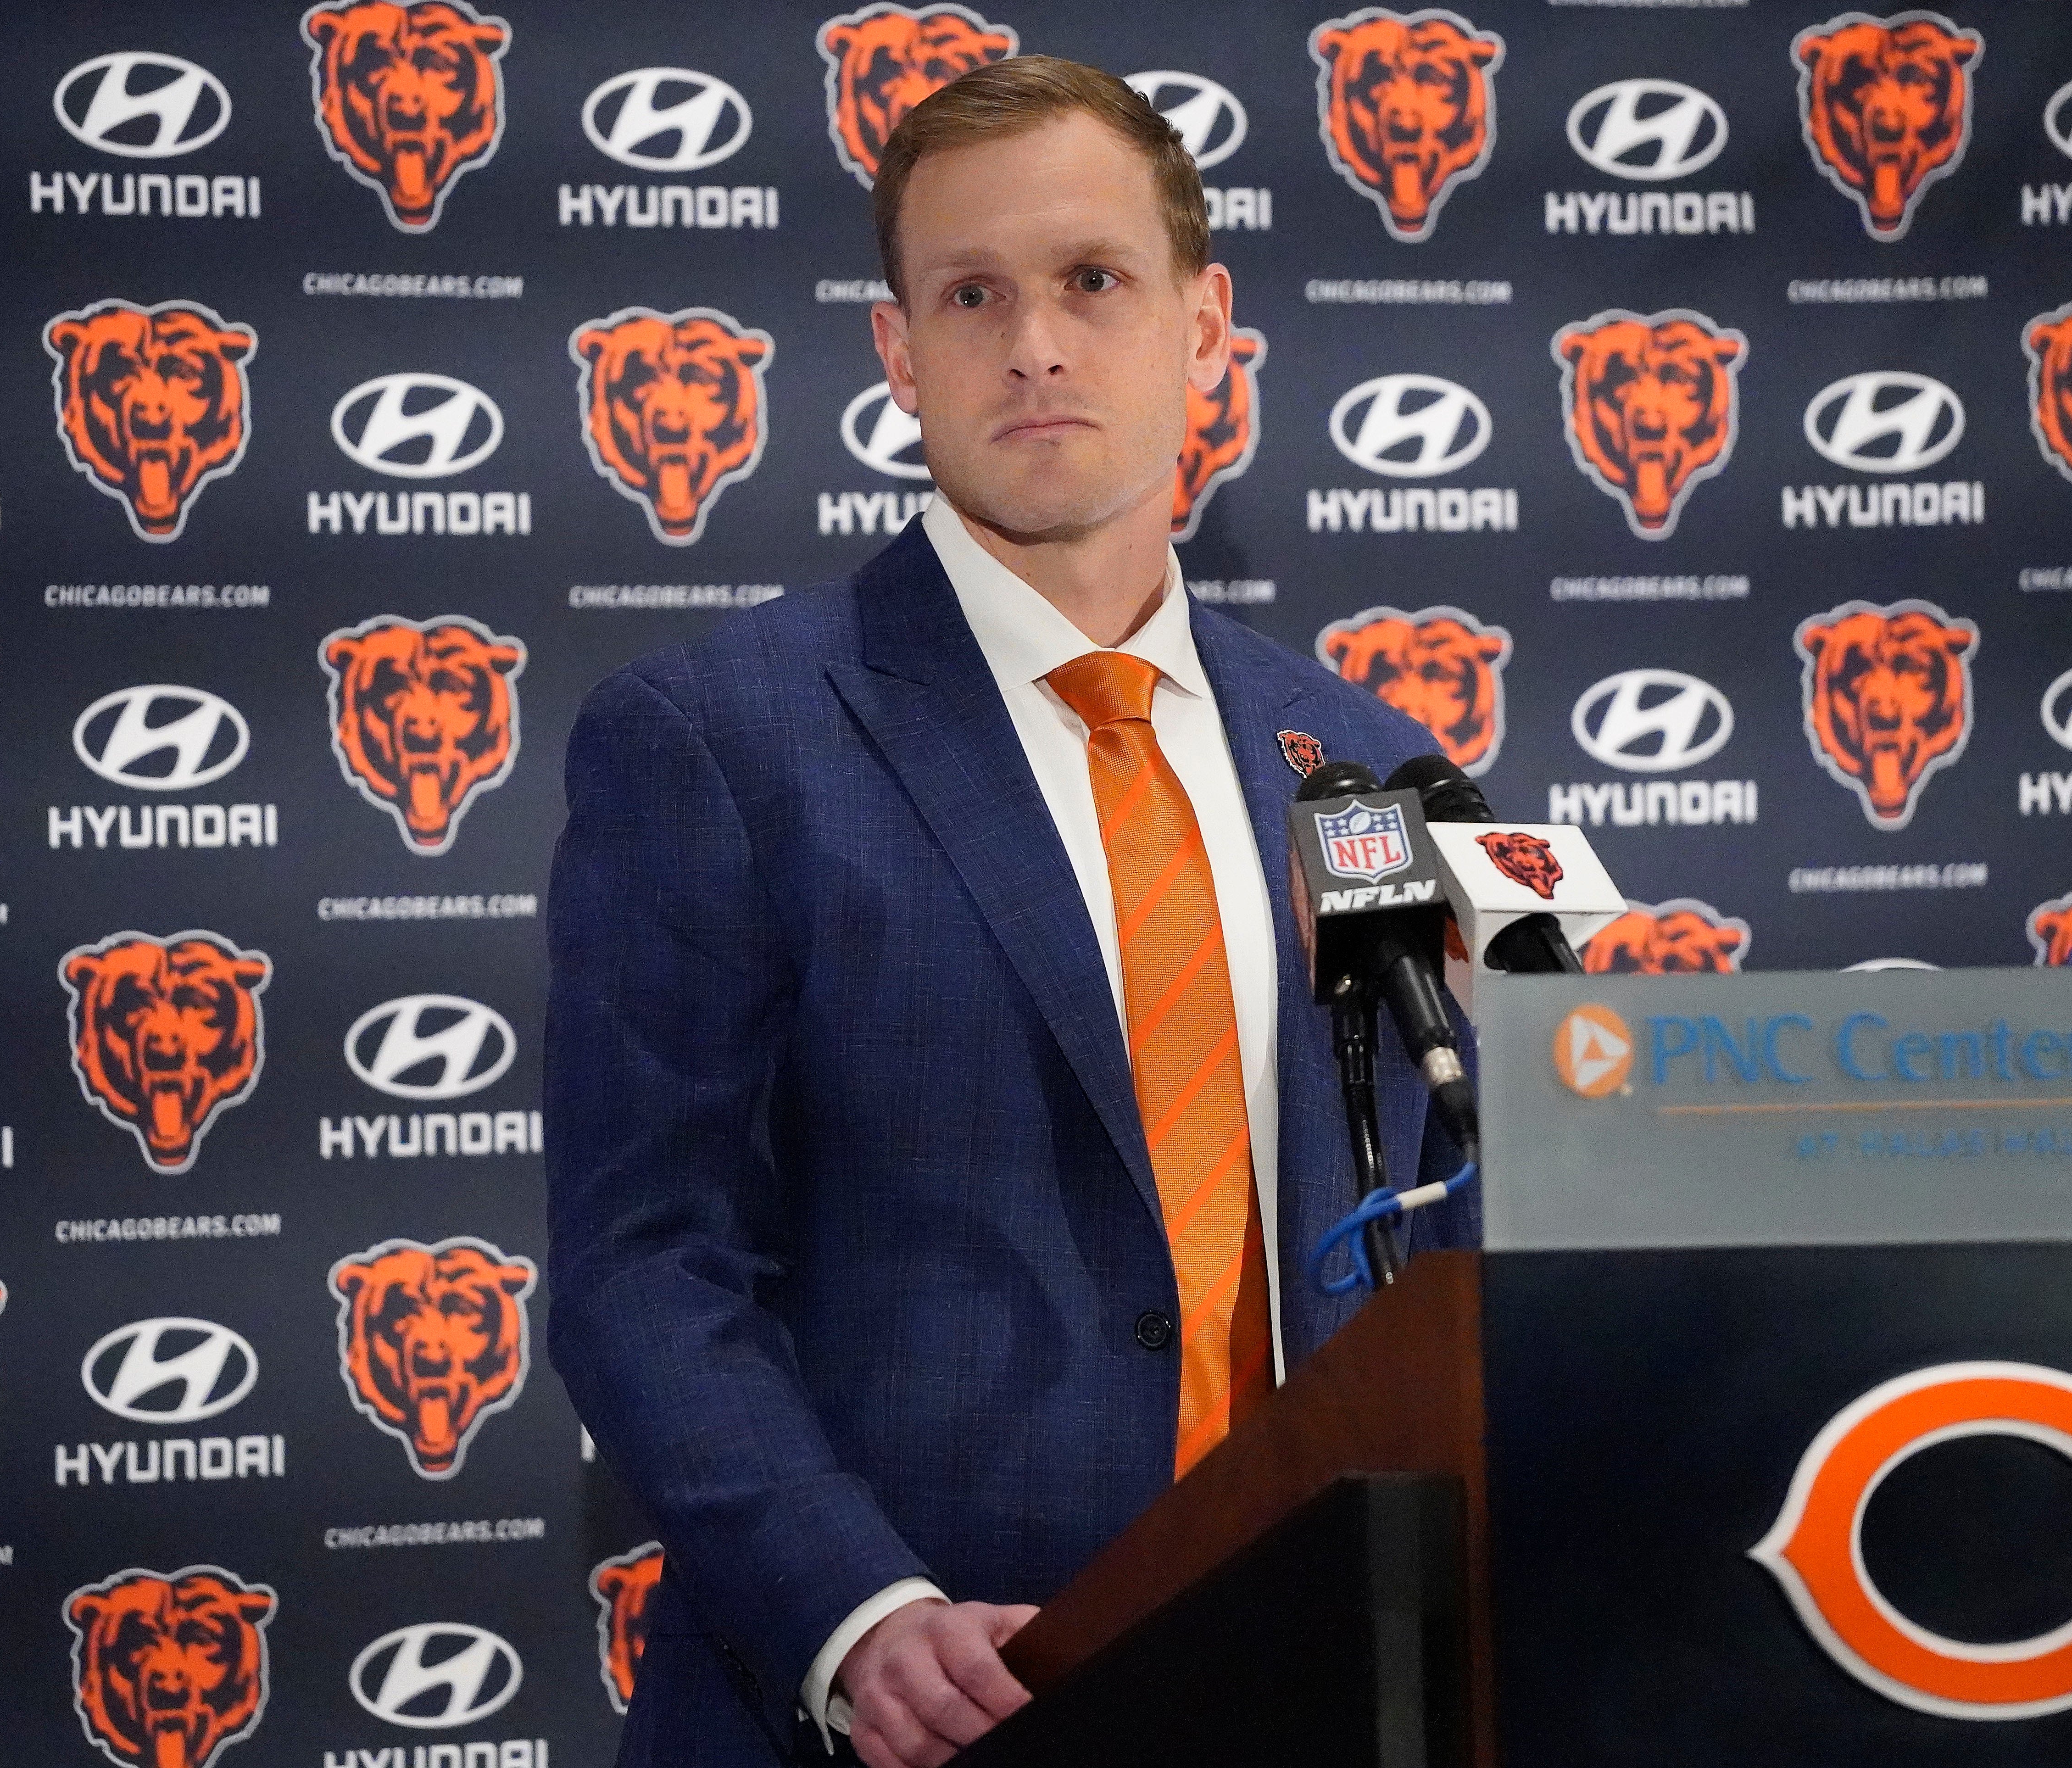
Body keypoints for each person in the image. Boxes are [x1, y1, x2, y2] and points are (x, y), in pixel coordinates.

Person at [546, 56, 1470, 1768]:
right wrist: (859, 1612)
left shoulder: (1364, 762)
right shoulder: (717, 738)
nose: (1034, 343)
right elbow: (641, 1261)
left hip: (1320, 1681)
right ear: (899, 353)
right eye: (972, 294)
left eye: (1091, 283)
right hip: (912, 1708)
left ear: (1205, 330)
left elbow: (1443, 1208)